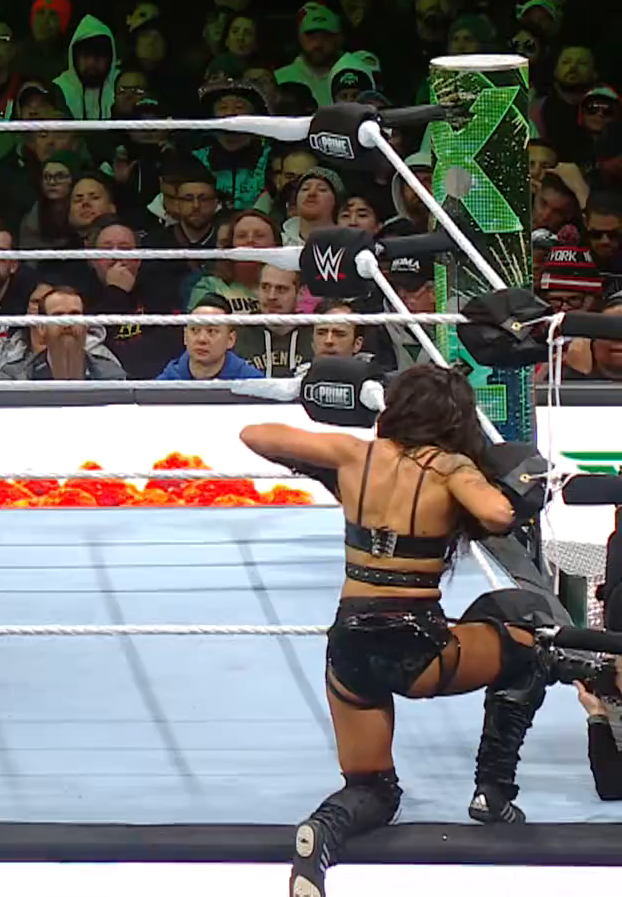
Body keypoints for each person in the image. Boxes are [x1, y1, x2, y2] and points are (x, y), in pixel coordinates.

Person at [239, 365, 613, 896]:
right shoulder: (449, 467)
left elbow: (254, 434)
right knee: (528, 643)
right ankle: (493, 791)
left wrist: (338, 440)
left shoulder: (354, 454)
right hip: (416, 644)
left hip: (348, 647)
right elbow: (498, 513)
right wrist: (514, 481)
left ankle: (322, 831)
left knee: (372, 787)